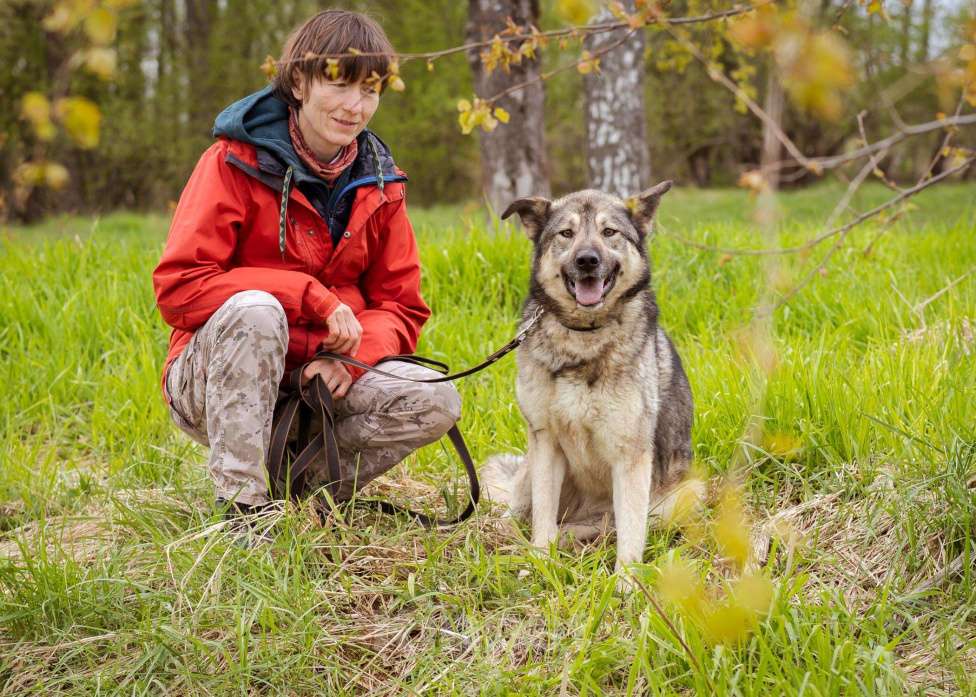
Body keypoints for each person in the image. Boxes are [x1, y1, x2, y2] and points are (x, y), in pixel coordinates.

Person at [153, 10, 460, 516]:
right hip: (213, 380)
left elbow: (401, 307)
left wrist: (350, 358)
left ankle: (303, 491)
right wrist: (306, 296)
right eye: (339, 85)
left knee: (436, 399)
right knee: (256, 310)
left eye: (370, 90)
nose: (355, 106)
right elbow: (180, 288)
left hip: (320, 381)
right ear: (299, 81)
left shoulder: (383, 185)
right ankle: (242, 510)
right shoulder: (232, 162)